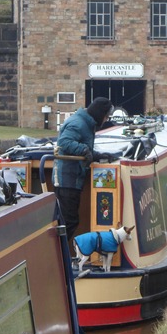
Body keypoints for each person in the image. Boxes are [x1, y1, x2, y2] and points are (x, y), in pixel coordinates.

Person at [53, 97, 114, 239]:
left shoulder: (85, 123)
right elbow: (64, 142)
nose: (106, 120)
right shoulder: (78, 123)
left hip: (72, 179)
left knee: (68, 221)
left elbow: (82, 145)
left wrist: (97, 155)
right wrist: (84, 150)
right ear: (100, 114)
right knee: (69, 222)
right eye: (106, 117)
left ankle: (61, 257)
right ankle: (60, 259)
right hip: (67, 180)